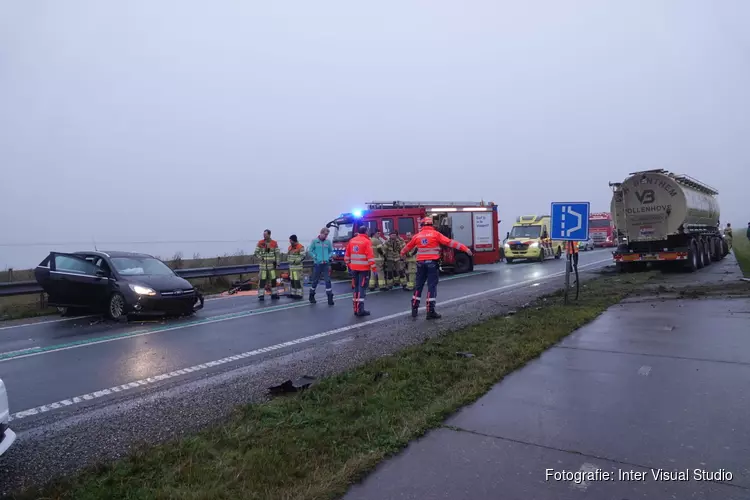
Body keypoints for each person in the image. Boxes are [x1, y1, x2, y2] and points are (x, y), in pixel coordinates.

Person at [401, 217, 472, 319]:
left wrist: (402, 254)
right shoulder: (436, 234)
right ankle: (430, 311)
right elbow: (450, 242)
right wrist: (465, 249)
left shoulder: (417, 236)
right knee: (431, 286)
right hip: (432, 264)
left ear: (422, 225)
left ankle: (414, 308)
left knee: (418, 286)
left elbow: (407, 247)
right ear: (431, 225)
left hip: (420, 264)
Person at [344, 225, 377, 316]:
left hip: (354, 269)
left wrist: (350, 265)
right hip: (363, 269)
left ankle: (355, 309)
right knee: (361, 289)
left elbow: (346, 256)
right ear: (366, 231)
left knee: (355, 288)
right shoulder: (366, 241)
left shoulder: (352, 240)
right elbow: (370, 257)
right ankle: (360, 310)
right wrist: (374, 268)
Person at [308, 227, 335, 305]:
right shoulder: (315, 241)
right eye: (325, 234)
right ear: (321, 233)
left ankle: (330, 297)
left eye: (327, 235)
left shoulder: (328, 242)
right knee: (315, 280)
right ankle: (311, 295)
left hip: (326, 264)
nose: (326, 236)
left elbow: (331, 251)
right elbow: (310, 250)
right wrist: (315, 256)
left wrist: (329, 256)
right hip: (318, 264)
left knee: (327, 280)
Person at [254, 229, 280, 301]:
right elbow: (256, 253)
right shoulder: (260, 243)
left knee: (273, 280)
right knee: (262, 281)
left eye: (265, 234)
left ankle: (274, 294)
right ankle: (261, 295)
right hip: (263, 267)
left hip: (271, 266)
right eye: (263, 234)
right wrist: (261, 258)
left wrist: (277, 263)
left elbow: (277, 254)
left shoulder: (274, 243)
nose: (264, 236)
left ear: (269, 235)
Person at [287, 235, 305, 299]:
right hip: (291, 268)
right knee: (292, 281)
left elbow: (302, 256)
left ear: (294, 240)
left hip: (298, 268)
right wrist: (289, 261)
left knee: (298, 281)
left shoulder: (300, 247)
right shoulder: (290, 247)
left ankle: (299, 294)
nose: (289, 241)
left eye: (290, 240)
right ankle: (293, 293)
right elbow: (288, 256)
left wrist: (295, 261)